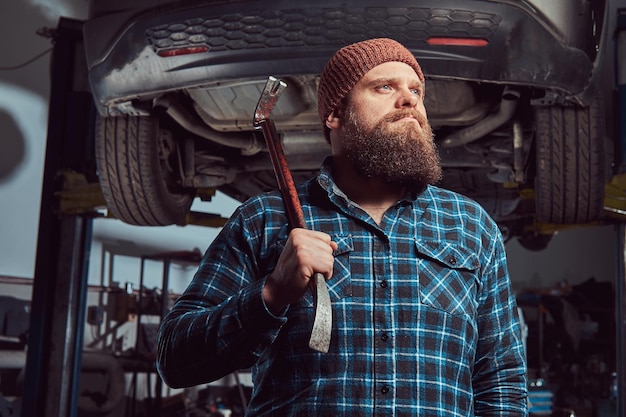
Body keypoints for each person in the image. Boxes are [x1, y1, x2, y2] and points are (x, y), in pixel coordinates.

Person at [157, 37, 528, 416]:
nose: (410, 100)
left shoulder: (470, 226)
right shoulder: (263, 220)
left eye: (416, 90)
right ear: (335, 114)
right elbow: (174, 358)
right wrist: (270, 295)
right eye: (385, 87)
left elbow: (501, 383)